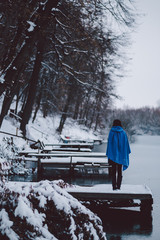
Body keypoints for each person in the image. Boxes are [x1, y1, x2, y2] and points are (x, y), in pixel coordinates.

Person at [106, 119, 131, 190]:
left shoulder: (111, 132)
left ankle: (114, 187)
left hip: (113, 155)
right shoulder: (123, 133)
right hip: (121, 156)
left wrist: (109, 154)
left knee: (113, 171)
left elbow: (109, 144)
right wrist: (125, 152)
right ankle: (119, 187)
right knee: (119, 171)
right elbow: (126, 144)